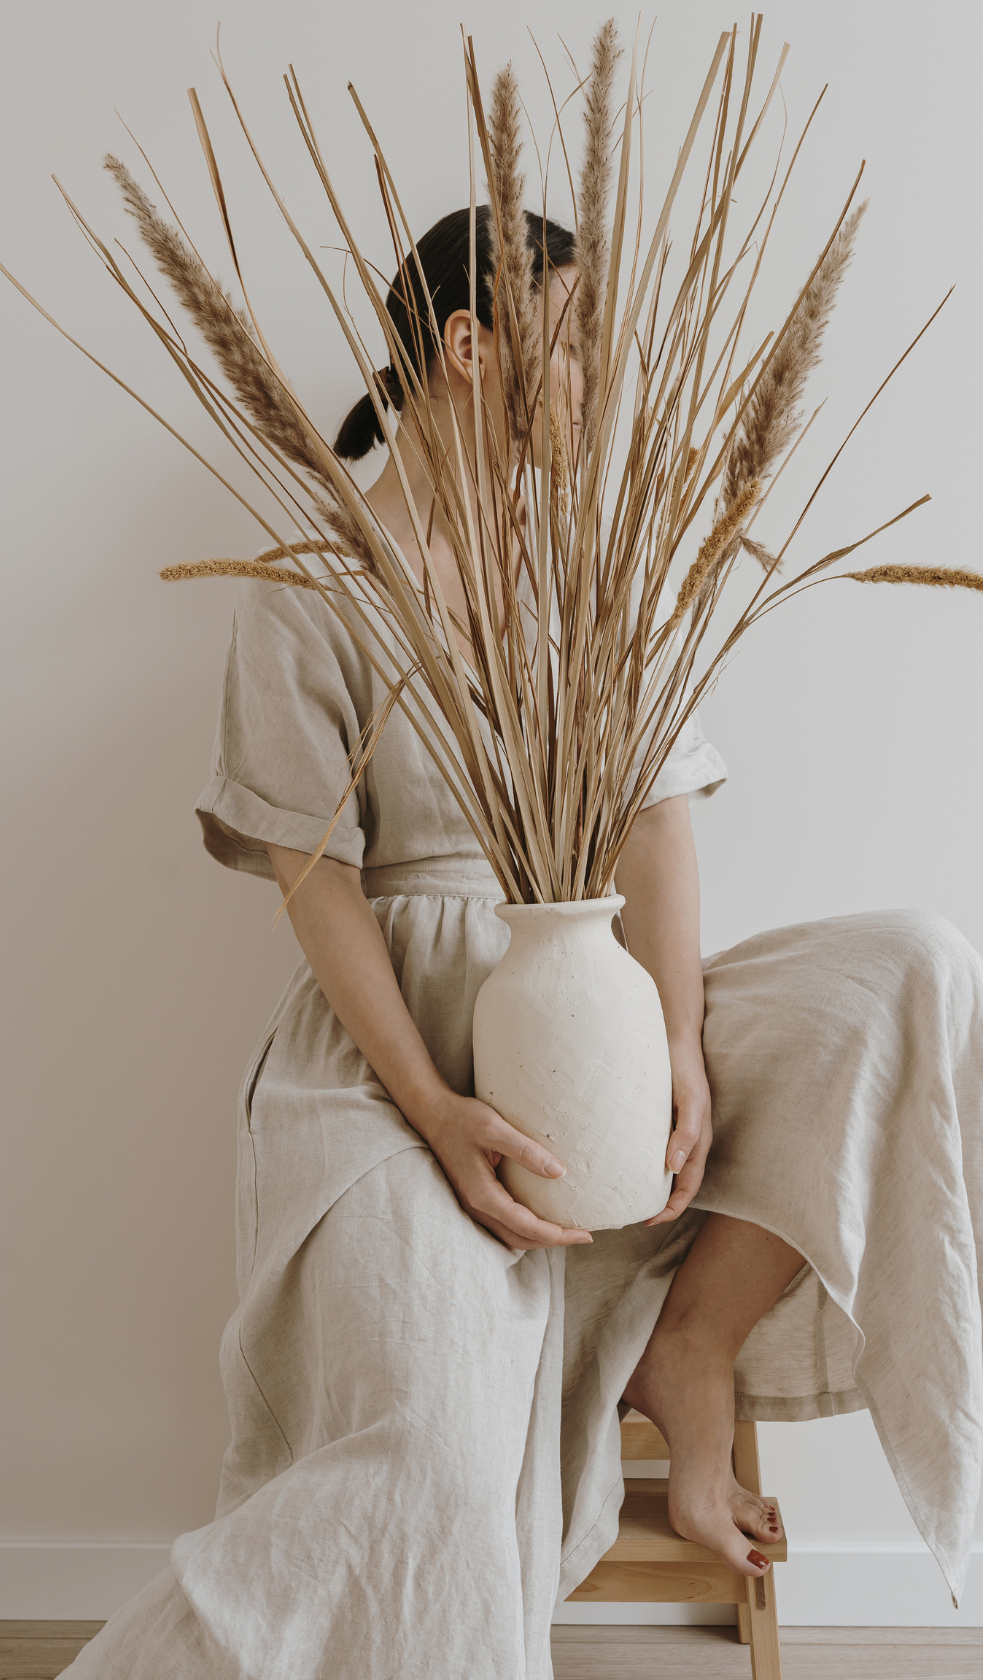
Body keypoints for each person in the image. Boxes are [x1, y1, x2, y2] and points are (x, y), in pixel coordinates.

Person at [64, 207, 983, 1680]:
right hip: (394, 1074)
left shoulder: (591, 573)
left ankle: (686, 1345)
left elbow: (657, 822)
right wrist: (435, 1109)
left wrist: (674, 1042)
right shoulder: (313, 588)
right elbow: (313, 877)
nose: (597, 389)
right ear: (470, 346)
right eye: (573, 350)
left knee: (914, 969)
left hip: (600, 1017)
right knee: (431, 1449)